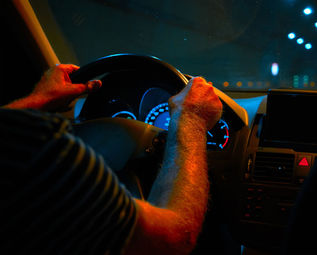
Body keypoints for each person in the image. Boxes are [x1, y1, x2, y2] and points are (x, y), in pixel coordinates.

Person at [0, 64, 223, 255]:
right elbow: (172, 240)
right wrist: (191, 119)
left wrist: (39, 101)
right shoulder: (42, 149)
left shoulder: (26, 145)